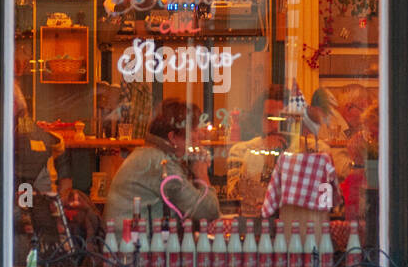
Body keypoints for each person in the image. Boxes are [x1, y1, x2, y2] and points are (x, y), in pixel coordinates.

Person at [103, 99, 220, 228]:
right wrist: (202, 174)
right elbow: (208, 212)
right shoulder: (160, 164)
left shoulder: (151, 155)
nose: (199, 137)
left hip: (128, 242)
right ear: (173, 137)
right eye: (193, 131)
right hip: (134, 245)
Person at [226, 86, 290, 214]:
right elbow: (233, 197)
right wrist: (263, 155)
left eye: (281, 119)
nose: (275, 126)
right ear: (260, 119)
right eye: (269, 118)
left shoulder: (306, 151)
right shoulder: (241, 151)